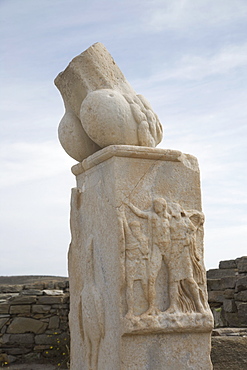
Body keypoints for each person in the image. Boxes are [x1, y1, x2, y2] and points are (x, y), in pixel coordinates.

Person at [125, 198, 171, 315]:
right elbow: (140, 213)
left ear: (163, 206)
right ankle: (152, 307)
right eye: (154, 205)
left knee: (174, 276)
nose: (155, 207)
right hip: (156, 248)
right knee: (151, 278)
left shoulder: (169, 218)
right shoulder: (152, 216)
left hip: (168, 248)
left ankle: (175, 305)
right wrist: (129, 204)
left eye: (157, 205)